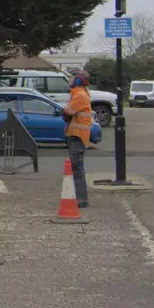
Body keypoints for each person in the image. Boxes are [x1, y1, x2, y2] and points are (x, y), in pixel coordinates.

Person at [62, 69, 95, 208]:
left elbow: (68, 110)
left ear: (78, 81)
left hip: (78, 136)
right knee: (76, 167)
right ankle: (79, 196)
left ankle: (82, 199)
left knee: (77, 167)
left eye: (71, 77)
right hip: (75, 134)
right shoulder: (77, 94)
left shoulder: (80, 95)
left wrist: (64, 110)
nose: (69, 80)